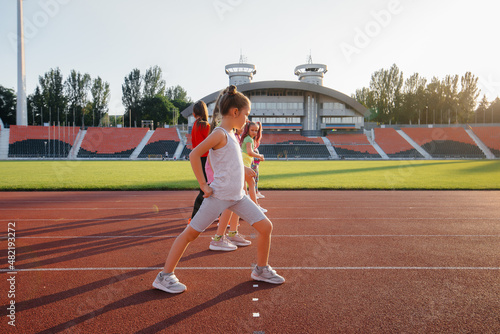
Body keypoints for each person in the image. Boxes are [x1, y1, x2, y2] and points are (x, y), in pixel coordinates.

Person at [153, 85, 285, 293]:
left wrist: (244, 168)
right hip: (219, 197)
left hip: (238, 198)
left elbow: (228, 161)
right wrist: (203, 184)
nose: (247, 119)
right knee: (190, 234)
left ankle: (260, 269)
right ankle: (164, 276)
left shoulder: (232, 135)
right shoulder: (220, 134)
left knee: (266, 227)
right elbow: (194, 155)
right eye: (246, 115)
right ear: (235, 112)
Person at [189, 101, 210, 220]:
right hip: (206, 159)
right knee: (206, 187)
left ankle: (216, 214)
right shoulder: (205, 126)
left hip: (198, 158)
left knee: (205, 187)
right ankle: (194, 216)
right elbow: (211, 142)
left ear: (193, 114)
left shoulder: (195, 125)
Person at [240, 121, 266, 212]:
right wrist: (260, 156)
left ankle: (248, 207)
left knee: (246, 186)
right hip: (244, 164)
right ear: (247, 130)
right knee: (251, 184)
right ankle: (255, 206)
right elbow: (250, 152)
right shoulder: (248, 139)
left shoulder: (248, 138)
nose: (254, 132)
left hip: (244, 164)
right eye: (252, 130)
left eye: (256, 130)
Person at [252, 122, 265, 199]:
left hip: (256, 163)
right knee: (253, 179)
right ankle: (253, 193)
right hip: (253, 163)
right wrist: (259, 157)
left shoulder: (255, 140)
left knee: (256, 178)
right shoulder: (250, 140)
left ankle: (256, 192)